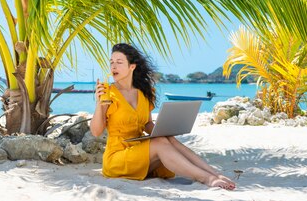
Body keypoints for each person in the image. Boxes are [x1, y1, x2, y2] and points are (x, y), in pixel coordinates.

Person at [90, 43, 236, 190]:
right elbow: (96, 132)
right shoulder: (108, 92)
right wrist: (99, 104)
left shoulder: (145, 92)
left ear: (132, 67)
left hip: (139, 150)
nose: (113, 66)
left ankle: (214, 173)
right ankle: (207, 178)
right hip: (117, 157)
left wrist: (164, 131)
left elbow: (147, 123)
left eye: (119, 62)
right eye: (111, 62)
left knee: (167, 139)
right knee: (160, 143)